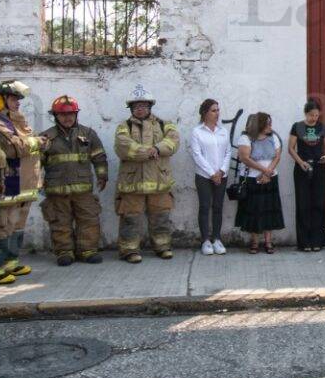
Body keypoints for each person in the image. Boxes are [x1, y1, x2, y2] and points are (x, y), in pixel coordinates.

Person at [0, 80, 41, 283]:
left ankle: (10, 262)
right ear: (1, 100)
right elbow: (13, 147)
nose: (17, 103)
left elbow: (24, 141)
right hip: (9, 178)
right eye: (13, 99)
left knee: (16, 222)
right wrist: (37, 142)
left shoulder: (14, 120)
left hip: (24, 181)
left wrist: (31, 141)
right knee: (2, 223)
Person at [38, 95, 107, 267]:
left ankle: (88, 250)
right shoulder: (46, 137)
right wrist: (36, 183)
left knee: (88, 220)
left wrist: (102, 175)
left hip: (83, 191)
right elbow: (36, 163)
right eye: (63, 115)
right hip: (57, 190)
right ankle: (64, 251)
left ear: (76, 115)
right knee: (60, 222)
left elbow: (99, 156)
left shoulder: (88, 134)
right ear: (55, 116)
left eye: (71, 114)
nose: (68, 118)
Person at [113, 86, 180, 263]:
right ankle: (129, 250)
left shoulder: (165, 124)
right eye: (136, 106)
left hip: (159, 181)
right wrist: (148, 152)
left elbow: (173, 142)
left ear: (150, 106)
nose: (140, 108)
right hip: (132, 182)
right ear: (131, 109)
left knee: (161, 217)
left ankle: (162, 246)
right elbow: (123, 147)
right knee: (130, 218)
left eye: (143, 105)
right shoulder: (123, 126)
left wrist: (157, 148)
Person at [234, 112, 285, 253]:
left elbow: (277, 156)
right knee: (254, 211)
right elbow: (245, 158)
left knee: (269, 210)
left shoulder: (273, 137)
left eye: (270, 122)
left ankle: (268, 242)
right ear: (260, 124)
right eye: (267, 123)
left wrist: (268, 172)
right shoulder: (245, 138)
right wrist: (263, 170)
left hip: (270, 178)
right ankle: (255, 242)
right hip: (252, 179)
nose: (270, 126)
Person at [188, 98, 232, 255]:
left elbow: (228, 152)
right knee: (205, 206)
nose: (217, 113)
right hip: (204, 176)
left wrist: (221, 171)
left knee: (218, 207)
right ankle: (205, 240)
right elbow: (197, 155)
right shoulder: (197, 132)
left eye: (218, 110)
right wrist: (211, 173)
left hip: (221, 175)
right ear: (205, 113)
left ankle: (217, 239)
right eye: (213, 110)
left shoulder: (223, 131)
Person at [288, 99, 325, 252]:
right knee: (303, 204)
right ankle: (304, 242)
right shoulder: (297, 127)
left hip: (319, 169)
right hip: (302, 168)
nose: (314, 118)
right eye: (312, 115)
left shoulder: (322, 127)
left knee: (318, 204)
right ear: (306, 113)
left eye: (317, 115)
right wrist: (300, 162)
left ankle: (317, 240)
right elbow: (291, 148)